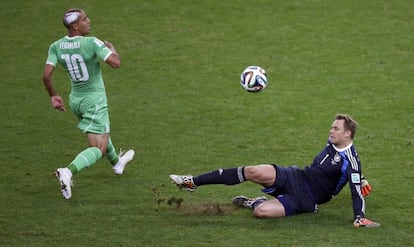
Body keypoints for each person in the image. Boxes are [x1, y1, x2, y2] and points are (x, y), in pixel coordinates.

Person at [170, 114, 380, 227]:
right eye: (332, 127)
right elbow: (352, 176)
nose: (330, 130)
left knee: (262, 213)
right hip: (296, 175)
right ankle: (192, 182)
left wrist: (359, 216)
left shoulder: (352, 161)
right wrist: (361, 179)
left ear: (348, 134)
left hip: (307, 199)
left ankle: (252, 202)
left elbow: (355, 190)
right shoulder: (333, 142)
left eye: (336, 128)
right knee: (252, 171)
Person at [42, 8, 135, 200]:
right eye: (85, 19)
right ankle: (68, 171)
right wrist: (112, 50)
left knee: (102, 132)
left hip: (76, 100)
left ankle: (117, 164)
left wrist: (53, 95)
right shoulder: (92, 42)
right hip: (94, 100)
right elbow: (115, 63)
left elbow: (46, 75)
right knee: (98, 148)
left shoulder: (56, 46)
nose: (89, 21)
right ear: (76, 26)